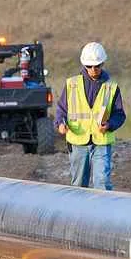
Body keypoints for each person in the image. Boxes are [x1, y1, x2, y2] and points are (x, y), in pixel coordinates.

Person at [54, 42, 126, 190]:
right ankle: (77, 212)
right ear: (84, 65)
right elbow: (62, 110)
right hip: (78, 141)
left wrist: (110, 124)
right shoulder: (72, 84)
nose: (93, 69)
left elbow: (119, 114)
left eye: (97, 66)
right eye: (89, 66)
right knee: (79, 185)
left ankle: (103, 212)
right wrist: (60, 124)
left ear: (103, 63)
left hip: (101, 141)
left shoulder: (111, 86)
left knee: (102, 183)